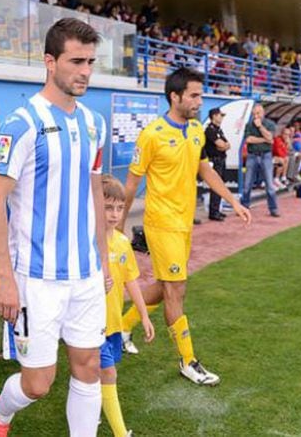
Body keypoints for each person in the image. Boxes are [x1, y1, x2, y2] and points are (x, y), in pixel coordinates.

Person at [0, 18, 110, 437]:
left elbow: (94, 192)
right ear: (49, 62)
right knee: (38, 384)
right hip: (36, 278)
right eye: (77, 61)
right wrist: (3, 275)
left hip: (86, 272)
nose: (86, 71)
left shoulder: (94, 123)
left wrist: (103, 259)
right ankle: (0, 413)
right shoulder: (22, 123)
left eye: (91, 61)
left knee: (89, 365)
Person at [119, 67, 252, 385]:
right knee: (177, 289)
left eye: (200, 94)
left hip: (183, 224)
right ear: (174, 96)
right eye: (193, 95)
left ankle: (120, 328)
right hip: (161, 223)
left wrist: (233, 201)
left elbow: (205, 170)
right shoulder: (151, 134)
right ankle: (188, 360)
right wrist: (117, 229)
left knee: (167, 287)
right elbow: (131, 184)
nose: (198, 100)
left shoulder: (195, 130)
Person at [101, 175, 155, 437]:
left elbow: (131, 281)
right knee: (108, 373)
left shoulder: (122, 242)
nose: (114, 214)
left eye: (119, 208)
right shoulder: (87, 243)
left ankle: (88, 410)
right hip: (91, 325)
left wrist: (143, 315)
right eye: (107, 208)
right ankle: (121, 433)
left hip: (113, 323)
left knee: (94, 376)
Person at [240, 103, 279, 217]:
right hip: (252, 155)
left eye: (258, 113)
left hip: (266, 155)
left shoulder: (269, 124)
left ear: (263, 113)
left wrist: (260, 127)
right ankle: (244, 207)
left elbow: (270, 138)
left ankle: (273, 209)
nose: (256, 116)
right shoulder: (249, 125)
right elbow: (249, 139)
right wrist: (264, 139)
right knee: (247, 184)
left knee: (270, 185)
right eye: (254, 113)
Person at [203, 107, 230, 221]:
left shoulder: (219, 130)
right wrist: (223, 146)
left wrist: (223, 146)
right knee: (215, 186)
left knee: (220, 185)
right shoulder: (210, 130)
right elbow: (220, 144)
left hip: (221, 159)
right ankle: (213, 212)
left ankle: (217, 210)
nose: (221, 117)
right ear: (214, 116)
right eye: (220, 115)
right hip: (214, 160)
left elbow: (227, 145)